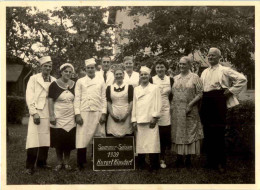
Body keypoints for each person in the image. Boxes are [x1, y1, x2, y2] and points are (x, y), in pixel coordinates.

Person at [200, 48, 247, 173]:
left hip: (218, 100)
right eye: (209, 55)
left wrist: (231, 91)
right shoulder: (204, 72)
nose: (210, 57)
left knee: (218, 132)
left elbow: (242, 79)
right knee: (208, 131)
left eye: (213, 56)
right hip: (206, 100)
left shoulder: (224, 70)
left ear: (219, 57)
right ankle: (211, 161)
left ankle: (221, 163)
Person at [171, 56, 204, 168]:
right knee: (179, 133)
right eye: (180, 64)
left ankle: (189, 159)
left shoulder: (195, 77)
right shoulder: (175, 78)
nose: (181, 66)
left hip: (190, 109)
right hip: (177, 111)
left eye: (184, 64)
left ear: (189, 65)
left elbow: (200, 93)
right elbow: (173, 94)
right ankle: (179, 158)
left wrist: (190, 105)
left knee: (189, 132)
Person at [74, 58, 107, 170]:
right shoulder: (80, 81)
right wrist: (77, 114)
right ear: (85, 69)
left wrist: (104, 113)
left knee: (98, 135)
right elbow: (77, 98)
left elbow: (104, 98)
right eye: (88, 68)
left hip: (97, 111)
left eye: (92, 68)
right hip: (84, 112)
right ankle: (80, 162)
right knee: (82, 137)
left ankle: (97, 160)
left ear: (95, 68)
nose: (90, 70)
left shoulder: (101, 81)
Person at [25, 56, 56, 175]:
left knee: (45, 138)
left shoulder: (53, 80)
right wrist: (34, 112)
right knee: (33, 139)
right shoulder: (33, 79)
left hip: (48, 112)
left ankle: (42, 163)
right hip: (37, 111)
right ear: (41, 67)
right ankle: (29, 166)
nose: (48, 68)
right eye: (45, 66)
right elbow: (29, 96)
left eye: (50, 66)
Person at [132, 66, 162, 172]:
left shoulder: (155, 88)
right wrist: (134, 120)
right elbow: (134, 105)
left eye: (145, 74)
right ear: (139, 76)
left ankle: (154, 165)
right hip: (140, 120)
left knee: (152, 143)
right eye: (141, 74)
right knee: (141, 143)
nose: (143, 76)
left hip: (151, 120)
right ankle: (141, 164)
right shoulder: (136, 89)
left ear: (149, 76)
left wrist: (155, 117)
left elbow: (158, 103)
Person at [48, 63, 76, 171]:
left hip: (70, 116)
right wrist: (51, 115)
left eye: (70, 72)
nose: (68, 73)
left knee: (68, 140)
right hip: (58, 115)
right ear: (61, 72)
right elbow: (50, 100)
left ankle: (67, 162)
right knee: (59, 141)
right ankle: (59, 162)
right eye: (66, 71)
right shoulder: (54, 84)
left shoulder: (75, 84)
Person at [150, 58, 173, 169]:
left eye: (162, 67)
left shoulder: (170, 80)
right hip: (154, 109)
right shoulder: (152, 80)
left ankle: (162, 158)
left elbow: (173, 96)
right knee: (154, 134)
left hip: (166, 109)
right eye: (158, 67)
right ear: (155, 69)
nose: (160, 69)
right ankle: (153, 158)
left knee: (163, 135)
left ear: (165, 68)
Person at [106, 64, 134, 137]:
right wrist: (112, 115)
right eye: (117, 74)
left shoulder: (129, 87)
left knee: (127, 139)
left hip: (126, 116)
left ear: (124, 75)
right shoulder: (109, 88)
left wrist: (126, 115)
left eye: (120, 74)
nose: (119, 76)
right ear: (114, 76)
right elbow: (108, 102)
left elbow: (131, 102)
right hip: (113, 116)